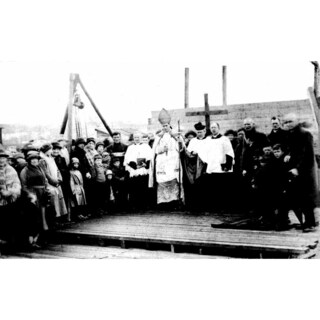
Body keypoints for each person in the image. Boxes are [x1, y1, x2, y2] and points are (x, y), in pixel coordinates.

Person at [283, 113, 318, 232]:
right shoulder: (289, 135)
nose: (288, 124)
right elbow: (290, 150)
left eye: (290, 121)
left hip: (305, 171)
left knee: (306, 199)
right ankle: (304, 222)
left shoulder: (305, 134)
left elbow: (305, 154)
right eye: (286, 122)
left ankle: (310, 223)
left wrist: (297, 168)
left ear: (297, 121)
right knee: (297, 197)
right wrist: (287, 155)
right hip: (294, 170)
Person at [149, 109, 184, 208]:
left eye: (166, 126)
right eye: (163, 126)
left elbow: (181, 148)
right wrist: (161, 149)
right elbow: (154, 151)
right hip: (162, 163)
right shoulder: (158, 137)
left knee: (174, 181)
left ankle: (174, 201)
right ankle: (163, 203)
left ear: (169, 125)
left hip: (173, 162)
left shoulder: (176, 136)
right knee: (162, 182)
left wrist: (176, 139)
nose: (165, 127)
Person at [201, 122, 235, 212]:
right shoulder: (208, 140)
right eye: (212, 127)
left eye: (215, 127)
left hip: (221, 168)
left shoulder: (224, 139)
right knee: (213, 189)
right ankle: (214, 207)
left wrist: (227, 165)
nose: (213, 129)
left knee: (222, 189)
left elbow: (229, 152)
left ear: (218, 128)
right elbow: (204, 152)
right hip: (212, 167)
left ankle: (223, 207)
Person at [20, 151, 49, 247]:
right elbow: (23, 186)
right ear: (29, 161)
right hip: (33, 196)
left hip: (42, 194)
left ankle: (39, 239)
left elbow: (45, 180)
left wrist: (46, 189)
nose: (34, 161)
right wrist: (31, 195)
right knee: (34, 217)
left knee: (43, 216)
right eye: (32, 160)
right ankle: (31, 240)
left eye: (36, 159)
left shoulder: (40, 168)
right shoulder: (25, 171)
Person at [39, 143, 68, 223]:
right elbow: (46, 173)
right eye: (50, 149)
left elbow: (57, 169)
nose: (52, 151)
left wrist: (59, 179)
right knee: (53, 200)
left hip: (56, 182)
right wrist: (54, 182)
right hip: (49, 184)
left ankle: (59, 218)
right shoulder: (42, 160)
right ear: (47, 151)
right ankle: (54, 219)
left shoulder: (51, 158)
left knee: (59, 199)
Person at [124, 132, 153, 210]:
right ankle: (135, 205)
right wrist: (134, 166)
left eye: (138, 137)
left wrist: (143, 165)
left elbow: (150, 157)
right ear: (133, 138)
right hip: (134, 169)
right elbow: (127, 158)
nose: (137, 139)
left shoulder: (146, 146)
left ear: (141, 138)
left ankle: (144, 205)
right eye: (135, 137)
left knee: (143, 187)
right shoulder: (130, 147)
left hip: (143, 170)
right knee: (134, 188)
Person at [0, 148, 21, 248]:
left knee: (10, 219)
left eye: (3, 158)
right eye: (0, 158)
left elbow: (17, 183)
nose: (1, 160)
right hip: (0, 199)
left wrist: (11, 192)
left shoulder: (11, 169)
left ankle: (10, 241)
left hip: (10, 198)